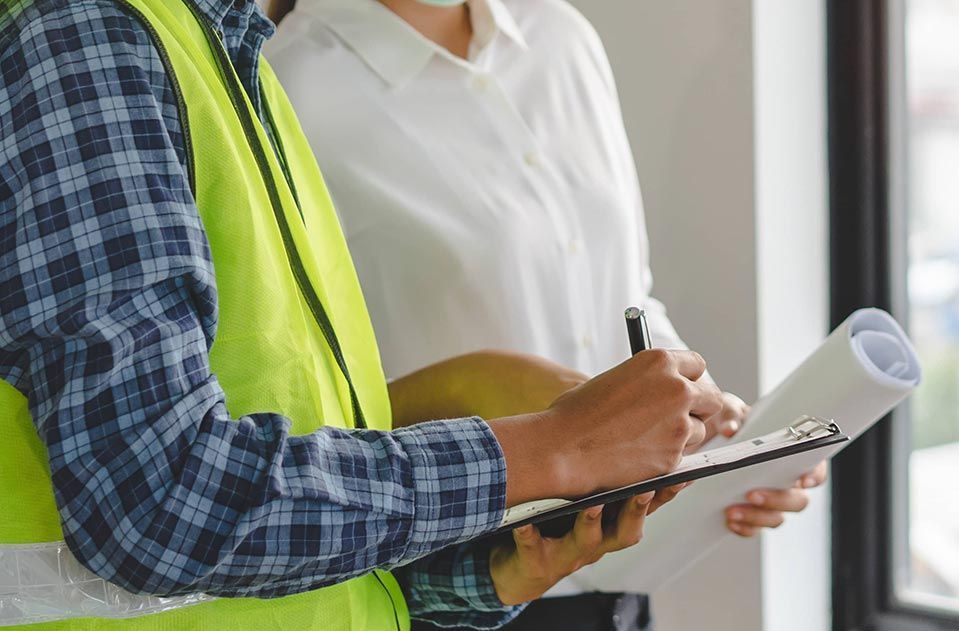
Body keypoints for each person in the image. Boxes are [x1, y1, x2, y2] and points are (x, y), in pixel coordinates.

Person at [0, 0, 726, 629]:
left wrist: (491, 572)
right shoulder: (84, 40)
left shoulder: (230, 54)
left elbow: (296, 459)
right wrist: (548, 448)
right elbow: (155, 501)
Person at [263, 0, 829, 628]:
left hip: (618, 569)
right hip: (461, 583)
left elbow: (628, 295)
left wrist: (715, 431)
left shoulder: (561, 36)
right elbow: (306, 392)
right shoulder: (289, 82)